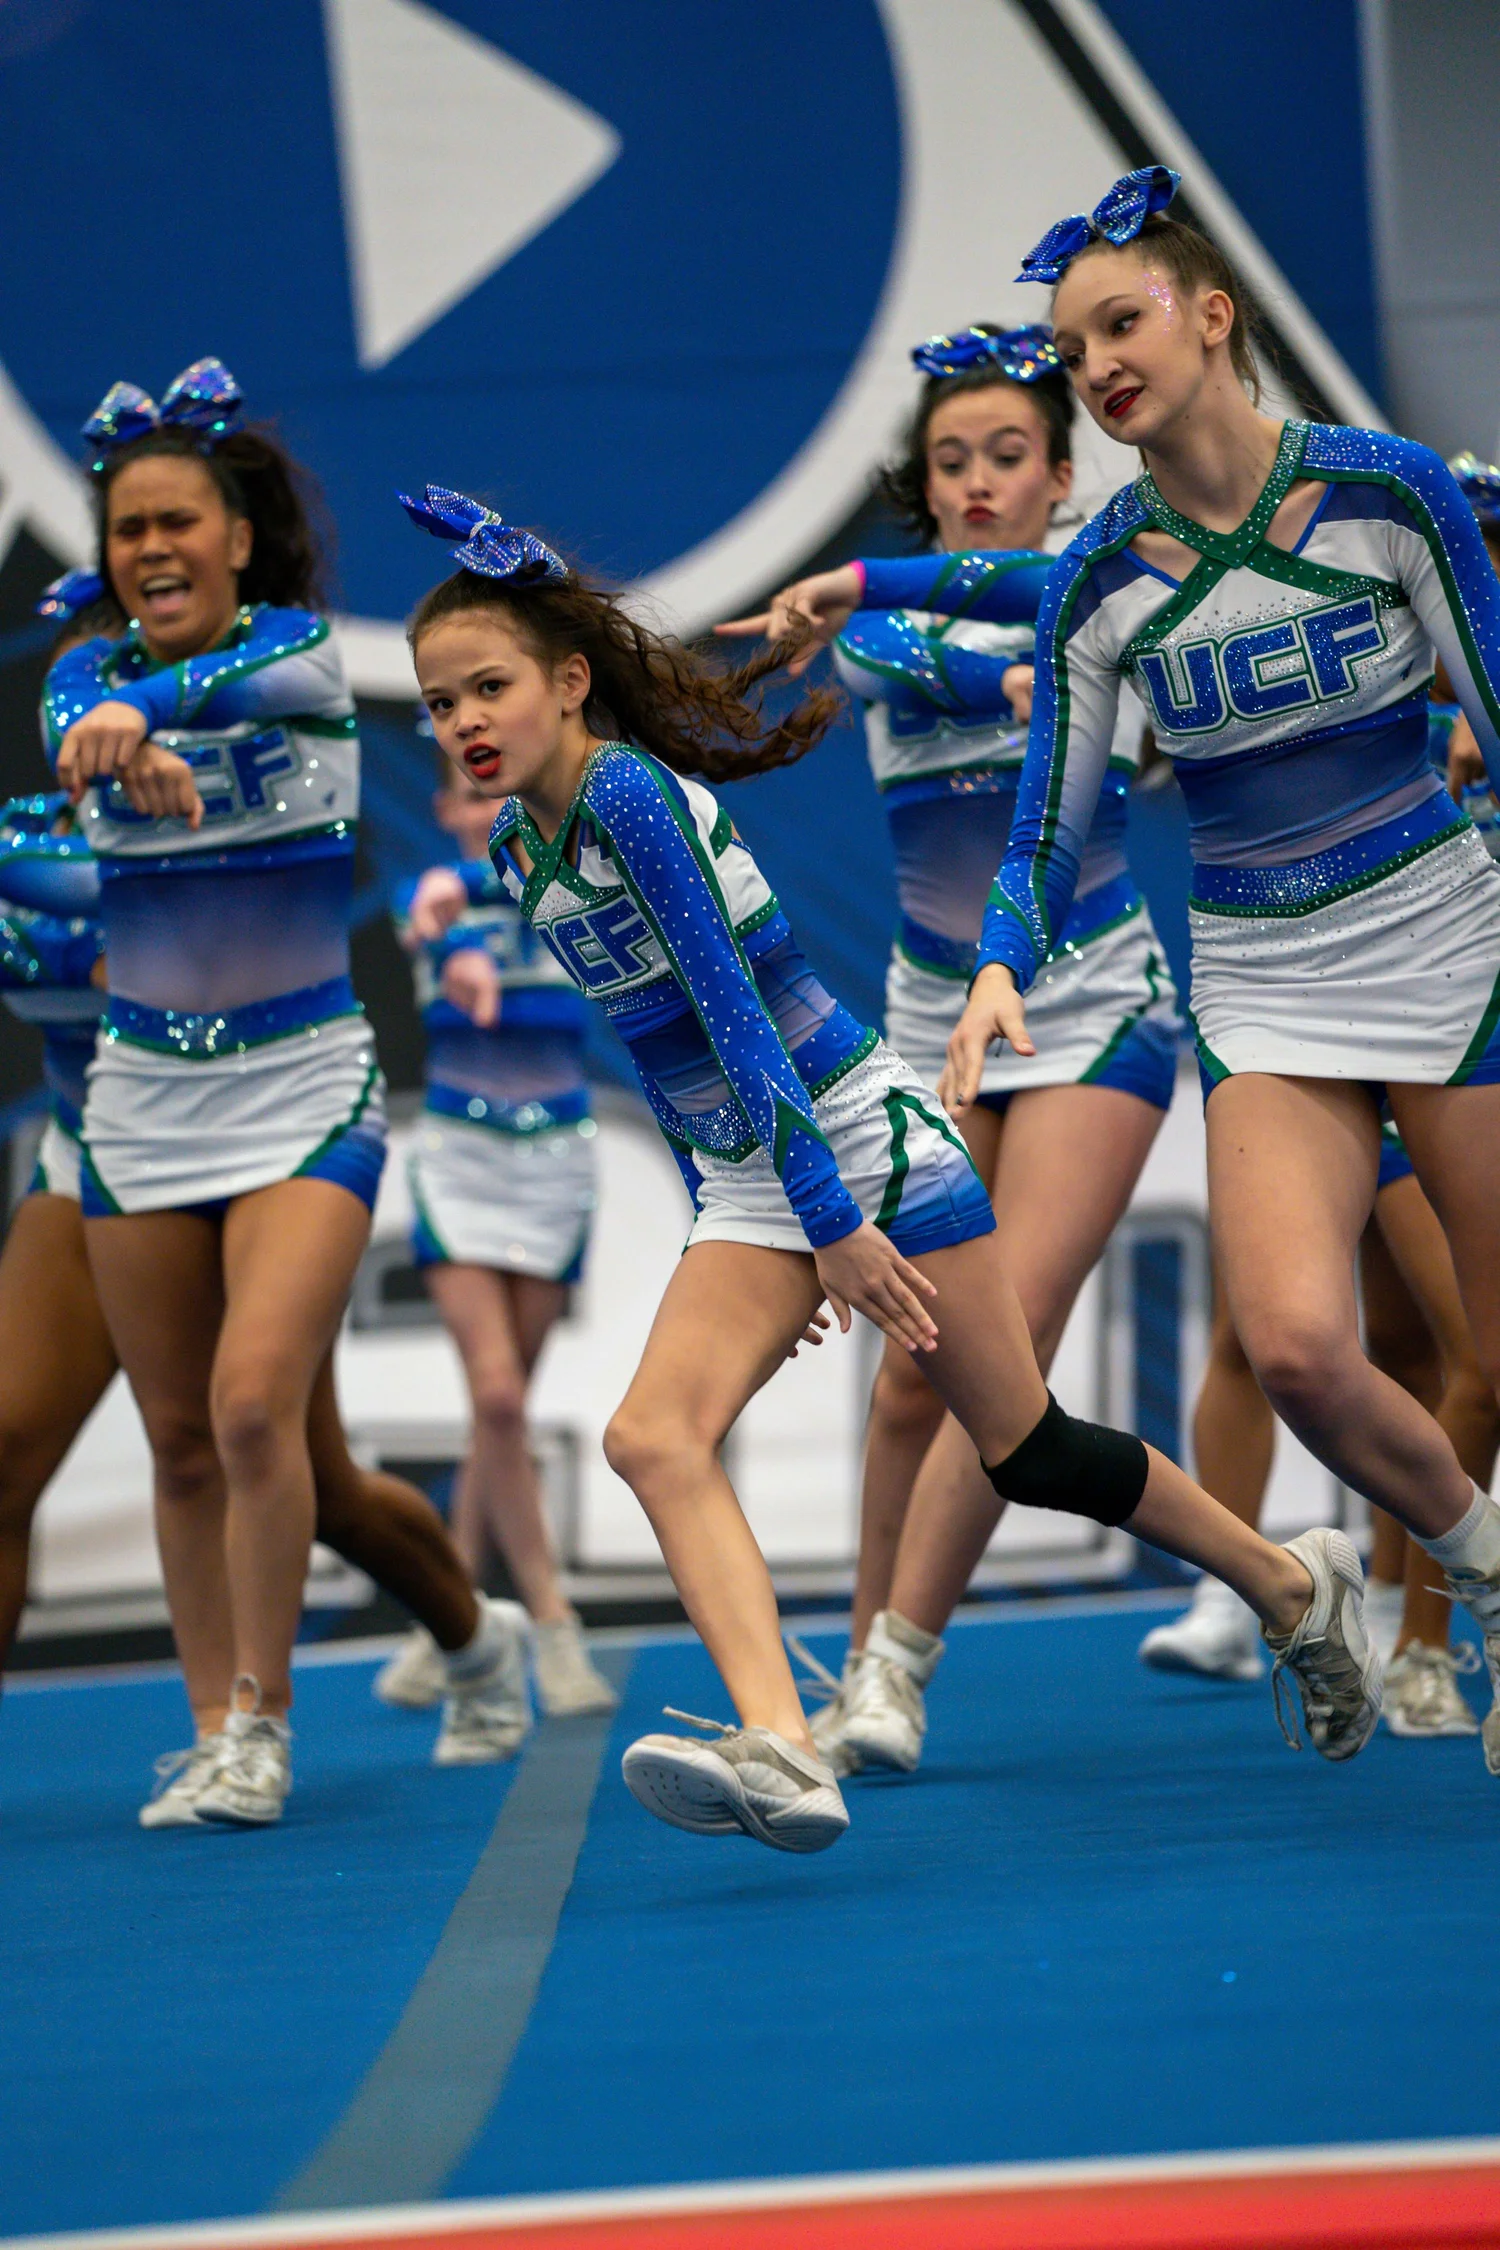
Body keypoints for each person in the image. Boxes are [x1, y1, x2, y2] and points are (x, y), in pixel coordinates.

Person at [402, 480, 1377, 1854]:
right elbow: (662, 1053)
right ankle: (785, 1746)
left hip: (861, 1139)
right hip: (764, 1171)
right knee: (653, 1437)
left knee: (1028, 1447)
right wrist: (737, 1222)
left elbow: (739, 1014)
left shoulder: (626, 794)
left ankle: (1289, 1587)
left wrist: (829, 1222)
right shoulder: (522, 846)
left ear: (569, 682)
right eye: (439, 704)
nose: (464, 722)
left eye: (488, 688)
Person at [940, 167, 1500, 1776]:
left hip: (1448, 943)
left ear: (1212, 313)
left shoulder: (1391, 492)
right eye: (1072, 351)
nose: (1098, 365)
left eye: (1121, 323)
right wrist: (998, 964)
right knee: (1305, 1351)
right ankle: (1482, 1577)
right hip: (1262, 978)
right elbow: (1050, 823)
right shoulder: (1098, 575)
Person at [46, 362, 523, 1827]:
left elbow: (223, 689)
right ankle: (276, 1704)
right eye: (129, 530)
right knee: (190, 1440)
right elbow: (76, 706)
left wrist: (136, 718)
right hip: (138, 1107)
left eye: (179, 521)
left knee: (252, 1405)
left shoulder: (302, 659)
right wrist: (106, 720)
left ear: (239, 537)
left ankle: (263, 1723)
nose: (153, 549)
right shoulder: (79, 680)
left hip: (304, 1090)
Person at [719, 324, 1179, 1770]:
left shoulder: (1103, 597)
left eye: (1007, 455)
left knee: (1005, 1340)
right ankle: (861, 1660)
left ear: (1061, 475)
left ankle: (900, 1667)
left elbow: (1093, 646)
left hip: (1091, 1002)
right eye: (950, 461)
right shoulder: (873, 634)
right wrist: (1006, 686)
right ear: (923, 488)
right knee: (915, 1362)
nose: (977, 482)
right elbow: (899, 647)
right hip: (934, 1018)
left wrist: (1072, 670)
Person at [372, 749, 616, 1719]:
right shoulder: (424, 892)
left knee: (498, 1418)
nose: (488, 812)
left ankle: (449, 1621)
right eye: (472, 798)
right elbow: (421, 912)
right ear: (442, 806)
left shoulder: (566, 883)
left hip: (557, 1161)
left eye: (502, 795)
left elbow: (522, 892)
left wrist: (474, 891)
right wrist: (447, 939)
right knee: (501, 1399)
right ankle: (553, 1622)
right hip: (460, 1159)